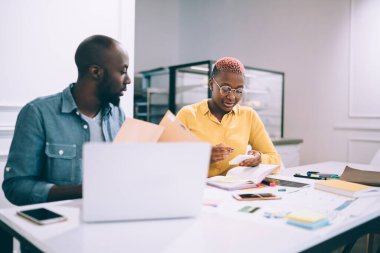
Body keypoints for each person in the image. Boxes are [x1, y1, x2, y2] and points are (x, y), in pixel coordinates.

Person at [2, 35, 131, 205]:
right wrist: (82, 192)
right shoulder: (37, 113)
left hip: (108, 218)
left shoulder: (117, 114)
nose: (128, 80)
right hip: (56, 226)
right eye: (122, 72)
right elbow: (16, 187)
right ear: (96, 72)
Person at [176, 57, 280, 177]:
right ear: (211, 85)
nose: (232, 97)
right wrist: (202, 156)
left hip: (233, 190)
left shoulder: (249, 116)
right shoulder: (187, 114)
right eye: (225, 89)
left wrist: (259, 159)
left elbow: (274, 159)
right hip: (196, 188)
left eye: (238, 90)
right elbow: (168, 160)